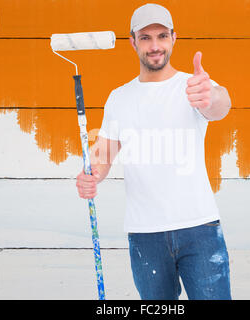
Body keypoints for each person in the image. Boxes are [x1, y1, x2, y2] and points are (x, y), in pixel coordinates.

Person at [76, 3, 232, 300]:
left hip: (199, 229)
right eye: (145, 38)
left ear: (174, 37)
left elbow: (220, 105)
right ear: (133, 42)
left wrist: (209, 94)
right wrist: (91, 175)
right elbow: (103, 156)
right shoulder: (119, 98)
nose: (155, 45)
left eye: (162, 36)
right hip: (145, 235)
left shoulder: (193, 85)